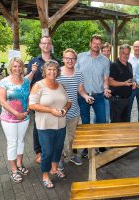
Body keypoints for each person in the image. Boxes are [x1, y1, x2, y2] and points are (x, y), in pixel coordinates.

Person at [29, 60, 71, 189]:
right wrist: (51, 110)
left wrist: (64, 109)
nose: (52, 72)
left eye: (55, 69)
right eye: (49, 69)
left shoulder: (60, 85)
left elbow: (68, 102)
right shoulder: (38, 85)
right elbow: (32, 105)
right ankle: (45, 176)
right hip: (45, 125)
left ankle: (54, 169)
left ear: (58, 72)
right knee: (47, 151)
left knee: (58, 149)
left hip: (60, 124)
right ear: (44, 71)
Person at [26, 36, 60, 164]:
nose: (46, 45)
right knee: (38, 126)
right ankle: (39, 152)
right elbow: (27, 81)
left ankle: (52, 150)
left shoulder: (56, 62)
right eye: (44, 43)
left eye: (48, 43)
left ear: (51, 45)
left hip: (53, 99)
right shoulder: (34, 62)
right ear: (40, 45)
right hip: (39, 99)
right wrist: (30, 101)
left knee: (53, 124)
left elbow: (59, 79)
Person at [56, 48, 93, 168]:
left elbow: (81, 90)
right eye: (67, 58)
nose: (70, 60)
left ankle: (71, 155)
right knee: (59, 137)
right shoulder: (57, 73)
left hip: (74, 111)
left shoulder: (78, 73)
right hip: (59, 112)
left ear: (76, 60)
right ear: (63, 59)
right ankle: (59, 158)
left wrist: (86, 96)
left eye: (72, 58)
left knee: (72, 137)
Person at [76, 34, 111, 156]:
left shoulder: (105, 61)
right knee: (85, 122)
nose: (96, 45)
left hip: (99, 96)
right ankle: (87, 147)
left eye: (99, 43)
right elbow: (75, 75)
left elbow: (106, 79)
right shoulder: (80, 57)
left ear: (101, 45)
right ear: (90, 44)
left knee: (102, 121)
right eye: (94, 43)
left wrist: (106, 89)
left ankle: (100, 145)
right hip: (83, 96)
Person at [0, 57, 31, 183]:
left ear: (23, 67)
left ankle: (19, 164)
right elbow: (2, 101)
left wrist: (27, 111)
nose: (17, 68)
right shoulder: (4, 82)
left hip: (24, 117)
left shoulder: (27, 81)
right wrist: (16, 113)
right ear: (11, 67)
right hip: (9, 119)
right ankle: (14, 170)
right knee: (12, 143)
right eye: (15, 66)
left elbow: (28, 98)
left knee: (21, 140)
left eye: (19, 66)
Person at [109, 44, 136, 122]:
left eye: (127, 53)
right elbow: (110, 82)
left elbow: (130, 78)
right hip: (117, 100)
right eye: (124, 53)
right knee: (116, 124)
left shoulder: (129, 65)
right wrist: (124, 83)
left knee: (126, 122)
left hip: (128, 99)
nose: (126, 55)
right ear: (119, 53)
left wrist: (133, 83)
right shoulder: (114, 65)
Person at [128, 40, 139, 121]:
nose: (137, 48)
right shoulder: (128, 58)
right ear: (133, 48)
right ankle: (126, 125)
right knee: (128, 107)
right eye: (135, 46)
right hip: (130, 87)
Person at [101, 42, 112, 123]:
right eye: (104, 51)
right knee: (101, 114)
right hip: (99, 92)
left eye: (108, 51)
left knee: (106, 114)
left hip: (109, 92)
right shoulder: (98, 62)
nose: (106, 53)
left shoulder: (112, 64)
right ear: (101, 51)